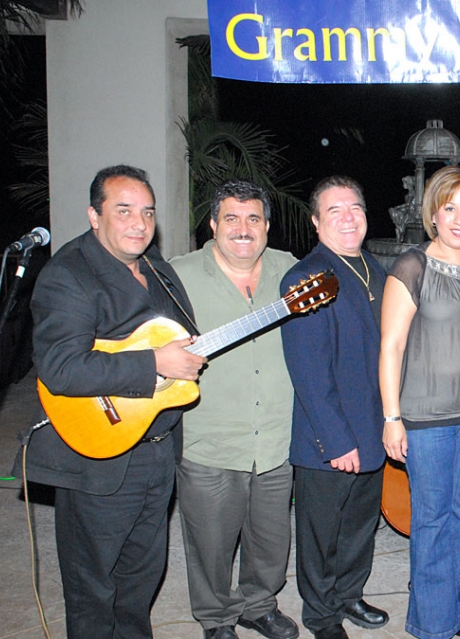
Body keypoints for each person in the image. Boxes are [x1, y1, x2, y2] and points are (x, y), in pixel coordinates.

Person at [16, 165, 207, 638]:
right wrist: (154, 364)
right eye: (123, 211)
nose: (139, 223)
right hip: (99, 456)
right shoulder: (69, 274)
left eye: (146, 212)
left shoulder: (157, 269)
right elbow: (61, 368)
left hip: (157, 448)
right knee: (92, 587)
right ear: (94, 215)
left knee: (141, 579)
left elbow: (178, 337)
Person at [170, 180, 300, 639]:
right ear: (213, 224)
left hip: (275, 437)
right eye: (231, 218)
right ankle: (217, 617)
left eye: (253, 219)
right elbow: (142, 337)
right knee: (210, 543)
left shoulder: (290, 271)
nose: (242, 229)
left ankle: (258, 605)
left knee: (270, 540)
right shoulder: (177, 275)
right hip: (209, 437)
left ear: (267, 225)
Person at [380, 165, 460, 639]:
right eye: (449, 207)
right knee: (432, 521)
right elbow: (390, 347)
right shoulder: (413, 265)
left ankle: (448, 611)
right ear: (433, 211)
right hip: (426, 420)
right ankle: (434, 627)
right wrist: (392, 418)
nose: (459, 217)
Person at [280, 176, 389, 639]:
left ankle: (348, 595)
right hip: (329, 437)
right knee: (322, 534)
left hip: (374, 429)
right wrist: (337, 441)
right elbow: (308, 371)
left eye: (356, 208)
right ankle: (321, 615)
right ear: (315, 222)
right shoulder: (304, 278)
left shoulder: (377, 270)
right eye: (335, 210)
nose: (348, 218)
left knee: (359, 529)